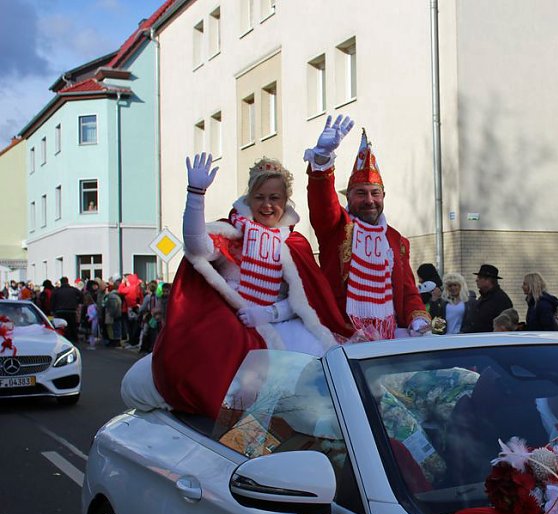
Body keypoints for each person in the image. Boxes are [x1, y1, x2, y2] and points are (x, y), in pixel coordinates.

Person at [122, 153, 353, 418]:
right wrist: (196, 195)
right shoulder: (233, 233)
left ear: (285, 200)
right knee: (221, 371)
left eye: (274, 198)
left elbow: (304, 301)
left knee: (309, 379)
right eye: (260, 197)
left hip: (280, 324)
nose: (267, 205)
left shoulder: (295, 243)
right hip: (233, 320)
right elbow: (197, 245)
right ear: (249, 198)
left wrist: (269, 313)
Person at [304, 115, 430, 339]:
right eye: (361, 193)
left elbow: (408, 290)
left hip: (387, 337)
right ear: (348, 197)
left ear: (384, 196)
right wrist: (322, 160)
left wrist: (417, 318)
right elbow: (323, 202)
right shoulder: (337, 226)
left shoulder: (397, 240)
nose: (370, 200)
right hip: (343, 335)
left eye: (375, 193)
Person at [462, 264, 513, 333]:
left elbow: (505, 326)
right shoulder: (483, 297)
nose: (476, 280)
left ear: (488, 280)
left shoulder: (501, 300)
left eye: (479, 278)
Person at [51, 276, 83, 343]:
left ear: (61, 282)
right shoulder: (73, 290)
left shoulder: (57, 291)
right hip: (71, 310)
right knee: (72, 325)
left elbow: (52, 301)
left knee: (61, 326)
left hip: (60, 311)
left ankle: (63, 339)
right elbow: (81, 295)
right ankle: (74, 339)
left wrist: (53, 310)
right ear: (67, 281)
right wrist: (77, 303)